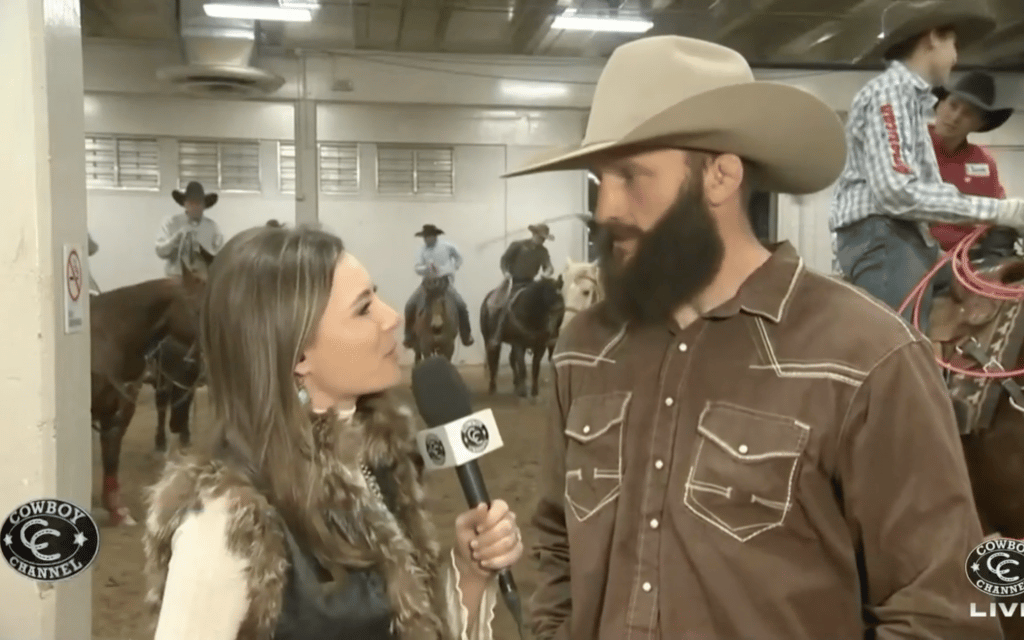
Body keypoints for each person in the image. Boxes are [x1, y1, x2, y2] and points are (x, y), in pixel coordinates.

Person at [502, 35, 1001, 640]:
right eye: (597, 179)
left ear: (720, 176)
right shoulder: (584, 346)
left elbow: (940, 614)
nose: (605, 208)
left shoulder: (865, 358)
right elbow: (556, 543)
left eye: (631, 176)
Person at [142, 224, 523, 640]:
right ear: (298, 353)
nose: (392, 317)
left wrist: (468, 574)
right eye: (363, 309)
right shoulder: (224, 522)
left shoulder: (376, 466)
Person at [830, 0, 1024, 333]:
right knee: (901, 351)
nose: (956, 56)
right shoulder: (891, 95)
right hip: (884, 238)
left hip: (906, 238)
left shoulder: (907, 101)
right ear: (933, 38)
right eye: (954, 45)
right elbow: (896, 192)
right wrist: (1001, 211)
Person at [927, 70, 1016, 261]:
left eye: (967, 113)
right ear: (939, 105)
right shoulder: (907, 150)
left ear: (980, 123)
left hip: (970, 261)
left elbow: (999, 212)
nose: (956, 116)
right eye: (953, 105)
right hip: (916, 258)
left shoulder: (983, 161)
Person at [403, 224, 474, 348]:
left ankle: (466, 335)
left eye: (429, 236)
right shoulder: (421, 251)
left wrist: (453, 267)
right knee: (410, 305)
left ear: (435, 236)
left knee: (461, 305)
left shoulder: (447, 247)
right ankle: (409, 336)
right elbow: (417, 267)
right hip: (427, 284)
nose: (427, 239)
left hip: (444, 283)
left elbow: (459, 257)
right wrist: (426, 268)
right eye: (425, 237)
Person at [487, 224, 555, 348]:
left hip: (530, 282)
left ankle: (548, 334)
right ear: (534, 235)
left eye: (544, 239)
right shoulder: (517, 245)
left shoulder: (543, 251)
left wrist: (548, 272)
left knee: (547, 302)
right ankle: (497, 334)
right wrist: (506, 272)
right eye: (541, 237)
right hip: (514, 281)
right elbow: (504, 260)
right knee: (504, 304)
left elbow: (548, 265)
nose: (542, 241)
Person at [155, 181, 224, 277]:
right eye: (191, 203)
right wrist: (176, 239)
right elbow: (160, 251)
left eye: (198, 203)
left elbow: (220, 258)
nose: (195, 207)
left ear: (204, 205)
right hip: (175, 279)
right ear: (185, 204)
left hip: (202, 282)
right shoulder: (171, 223)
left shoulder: (213, 228)